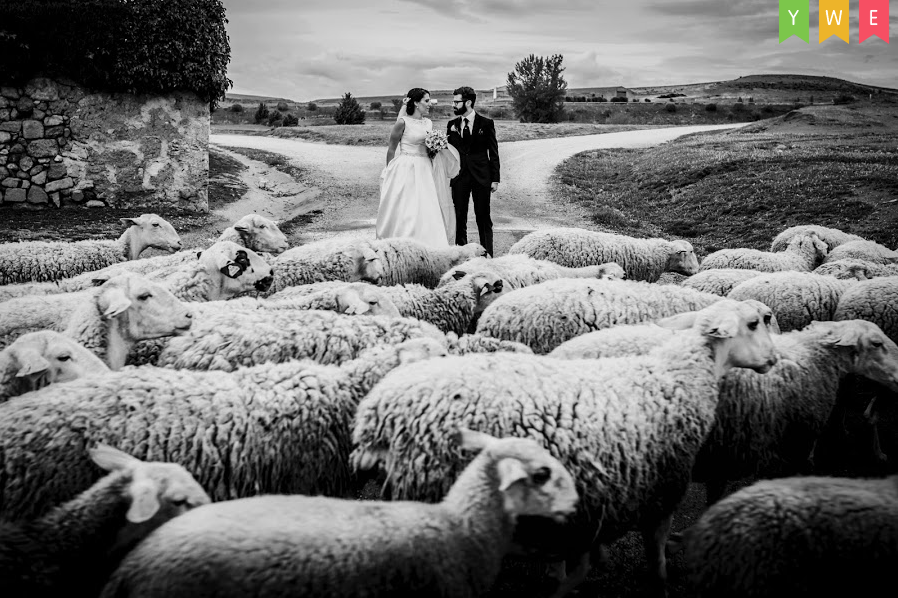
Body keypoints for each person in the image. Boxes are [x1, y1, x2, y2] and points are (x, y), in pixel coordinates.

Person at [376, 88, 454, 247]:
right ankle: (404, 242)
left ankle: (429, 243)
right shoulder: (402, 122)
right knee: (408, 206)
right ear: (417, 103)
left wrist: (435, 146)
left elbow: (428, 147)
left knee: (426, 205)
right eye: (427, 101)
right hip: (406, 167)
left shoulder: (428, 123)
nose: (429, 104)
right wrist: (388, 171)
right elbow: (391, 149)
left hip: (425, 168)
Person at [446, 86, 500, 257]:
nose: (453, 105)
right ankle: (462, 256)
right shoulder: (451, 125)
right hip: (459, 177)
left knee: (483, 217)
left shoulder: (486, 123)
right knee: (459, 217)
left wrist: (495, 179)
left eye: (457, 102)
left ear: (468, 102)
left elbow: (493, 152)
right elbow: (449, 154)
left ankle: (487, 256)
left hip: (481, 177)